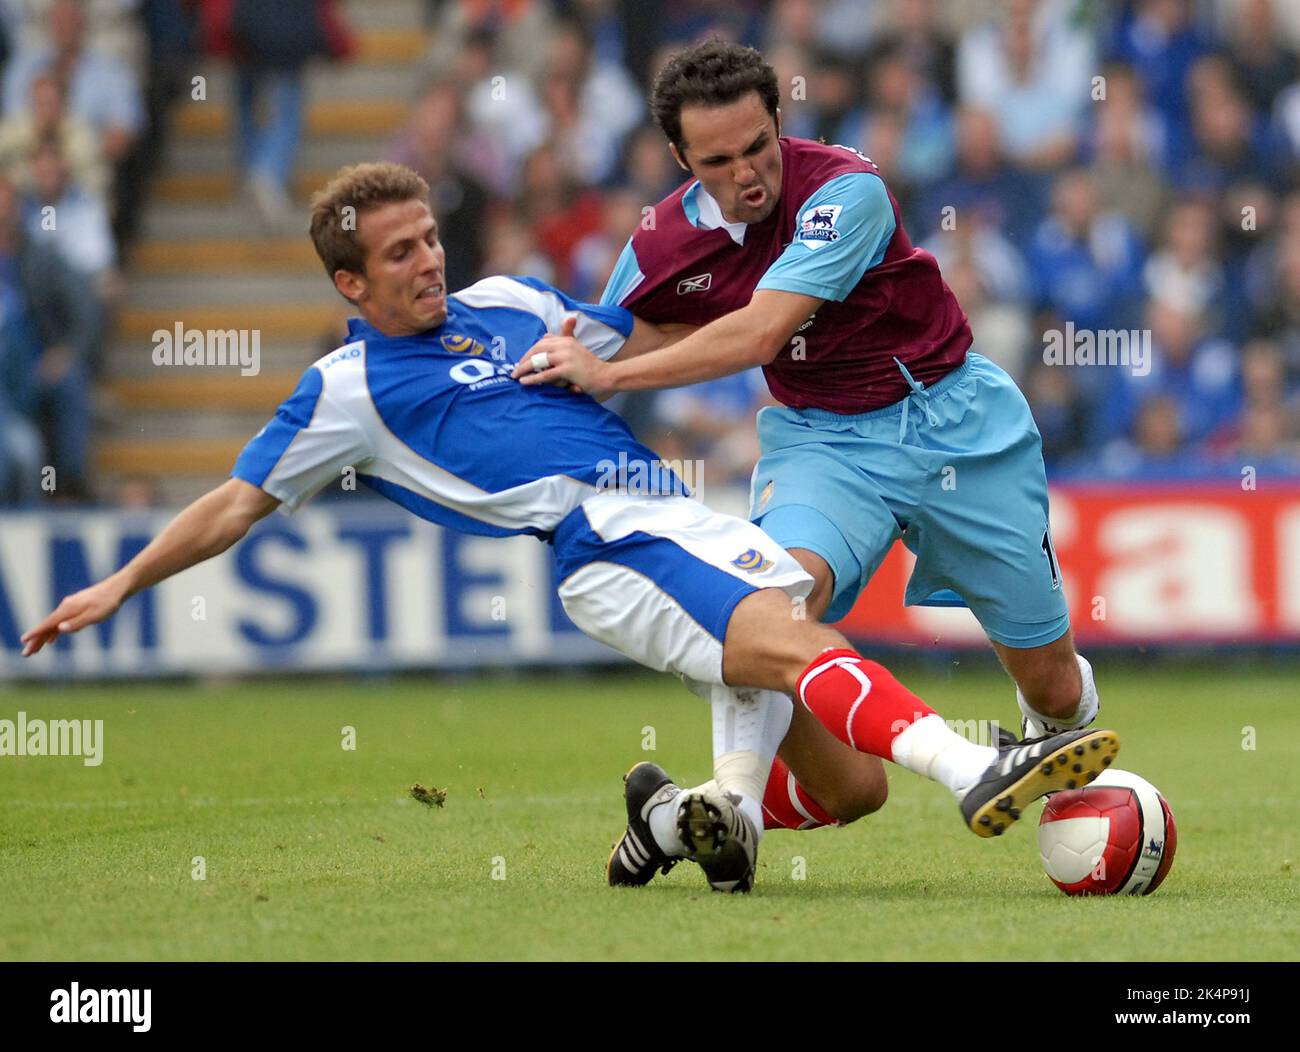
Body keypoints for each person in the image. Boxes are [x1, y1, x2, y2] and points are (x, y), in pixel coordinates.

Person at [20, 162, 1120, 894]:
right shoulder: (342, 388)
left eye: (427, 238)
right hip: (602, 542)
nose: (426, 261)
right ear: (349, 283)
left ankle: (687, 814)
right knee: (796, 624)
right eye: (396, 254)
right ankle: (970, 764)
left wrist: (755, 289)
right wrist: (122, 582)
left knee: (847, 789)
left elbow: (632, 316)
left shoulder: (508, 299)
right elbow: (233, 499)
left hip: (672, 512)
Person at [513, 41, 1109, 833]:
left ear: (778, 122)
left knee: (1055, 689)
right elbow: (608, 337)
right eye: (718, 160)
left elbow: (759, 332)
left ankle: (1043, 743)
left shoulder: (845, 190)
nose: (747, 173)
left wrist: (607, 373)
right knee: (771, 604)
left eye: (758, 145)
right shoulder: (659, 243)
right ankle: (730, 804)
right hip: (825, 446)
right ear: (678, 155)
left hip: (960, 426)